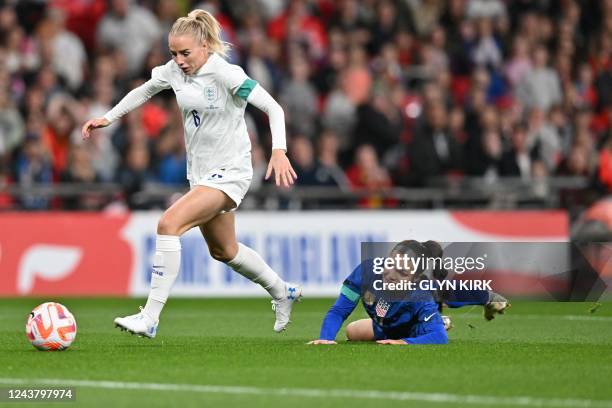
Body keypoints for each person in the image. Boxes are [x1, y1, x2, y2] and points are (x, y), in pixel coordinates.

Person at [82, 9, 300, 338]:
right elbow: (144, 90)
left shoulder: (226, 74)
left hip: (231, 171)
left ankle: (150, 317)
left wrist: (279, 149)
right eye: (174, 53)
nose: (179, 60)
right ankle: (282, 291)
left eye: (185, 53)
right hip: (201, 173)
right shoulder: (174, 72)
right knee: (224, 250)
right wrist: (108, 118)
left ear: (205, 47)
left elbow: (273, 107)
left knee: (168, 223)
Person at [309, 240, 510, 345]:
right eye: (391, 264)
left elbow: (439, 338)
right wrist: (326, 338)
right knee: (352, 331)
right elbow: (338, 311)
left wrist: (403, 343)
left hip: (412, 316)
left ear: (414, 278)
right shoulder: (365, 272)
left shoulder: (420, 292)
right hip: (389, 321)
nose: (392, 275)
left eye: (402, 272)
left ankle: (488, 296)